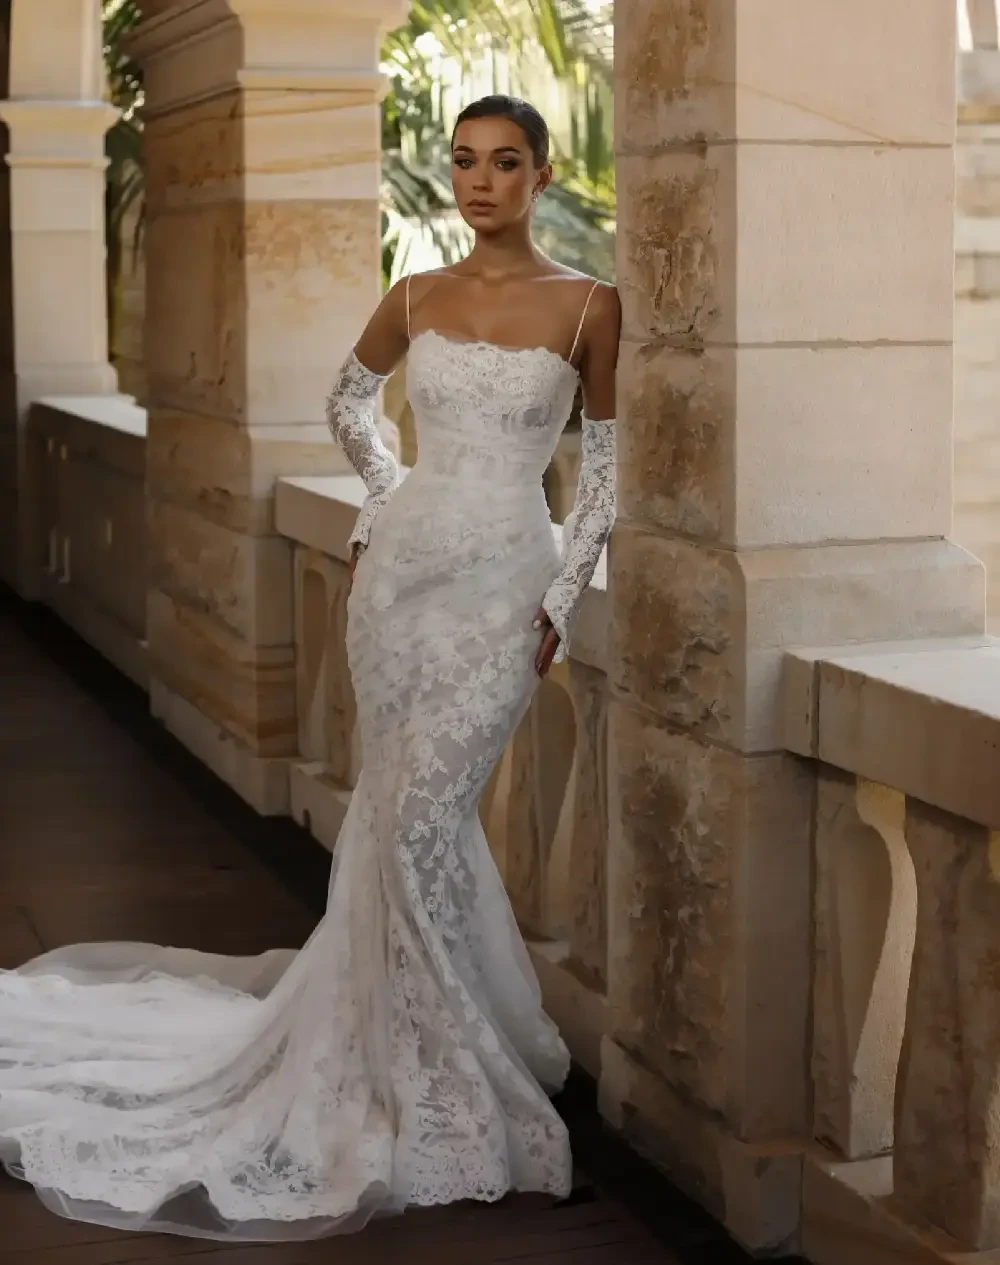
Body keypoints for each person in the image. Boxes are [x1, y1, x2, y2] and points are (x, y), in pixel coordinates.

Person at [0, 94, 620, 1242]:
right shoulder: (416, 294)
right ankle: (413, 1058)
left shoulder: (590, 305)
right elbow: (345, 400)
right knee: (395, 814)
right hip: (400, 588)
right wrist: (386, 495)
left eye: (504, 163)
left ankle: (443, 1056)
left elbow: (607, 473)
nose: (478, 181)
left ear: (542, 175)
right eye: (464, 162)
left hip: (498, 591)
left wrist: (563, 591)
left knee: (425, 814)